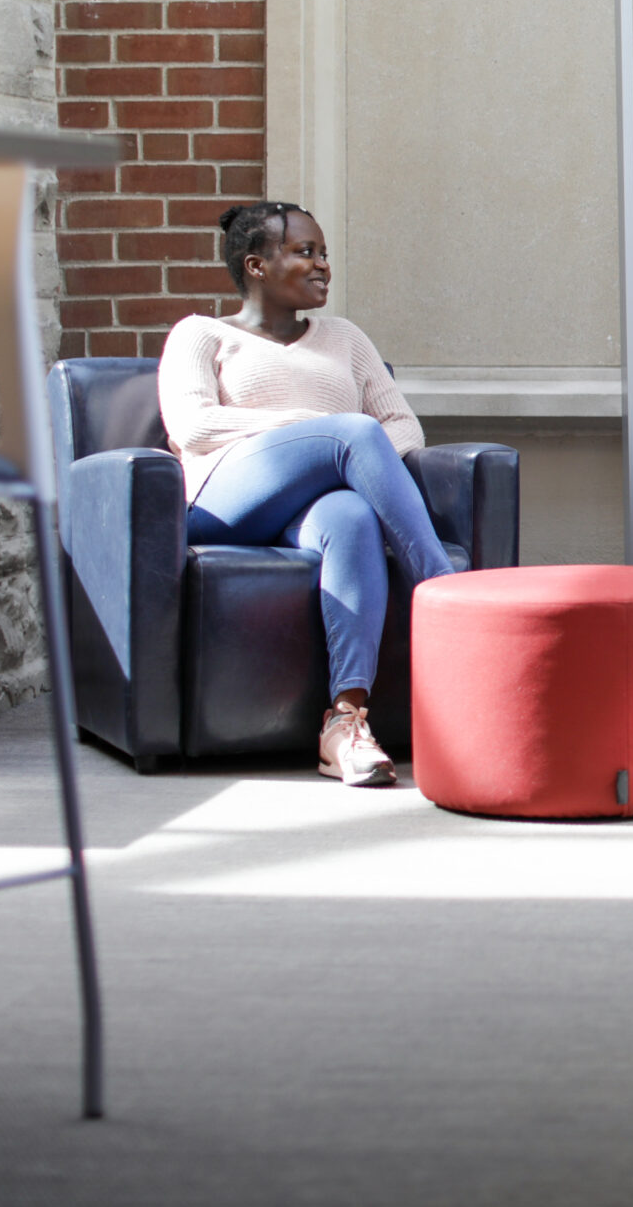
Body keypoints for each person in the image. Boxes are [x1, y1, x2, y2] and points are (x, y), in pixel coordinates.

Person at [157, 202, 460, 787]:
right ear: (257, 265)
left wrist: (336, 453)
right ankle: (448, 598)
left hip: (310, 508)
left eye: (324, 254)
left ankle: (346, 722)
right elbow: (193, 427)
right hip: (224, 500)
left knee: (351, 516)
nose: (323, 265)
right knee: (349, 430)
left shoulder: (344, 338)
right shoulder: (201, 333)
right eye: (305, 252)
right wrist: (316, 431)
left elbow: (402, 427)